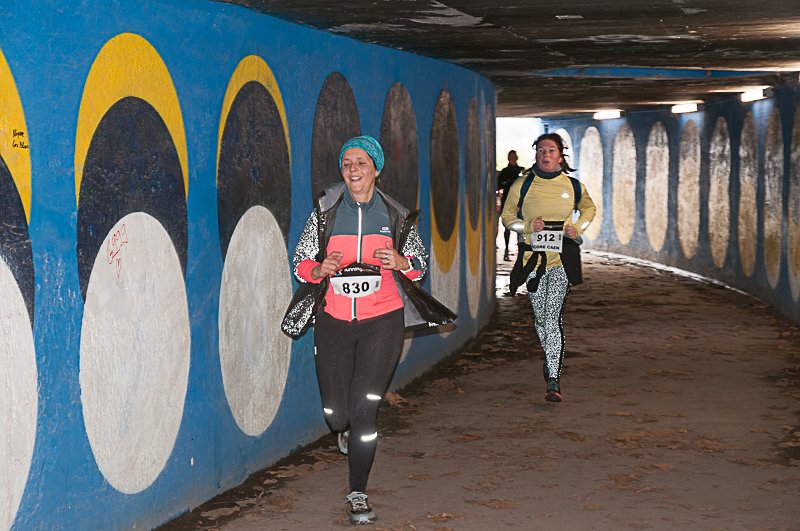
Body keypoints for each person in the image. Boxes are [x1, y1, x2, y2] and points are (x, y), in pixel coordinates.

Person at [287, 135, 454, 525]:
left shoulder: (397, 214)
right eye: (347, 163)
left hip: (383, 321)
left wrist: (401, 261)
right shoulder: (325, 211)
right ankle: (343, 429)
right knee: (337, 414)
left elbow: (419, 264)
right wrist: (318, 269)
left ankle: (357, 493)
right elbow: (300, 260)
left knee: (365, 409)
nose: (353, 170)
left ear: (376, 169)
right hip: (333, 321)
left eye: (361, 162)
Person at [501, 133, 595, 403]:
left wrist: (577, 229)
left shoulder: (573, 186)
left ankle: (553, 378)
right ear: (536, 154)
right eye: (541, 150)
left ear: (560, 155)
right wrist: (528, 226)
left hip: (561, 260)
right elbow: (507, 218)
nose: (545, 155)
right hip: (533, 260)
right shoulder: (522, 185)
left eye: (551, 150)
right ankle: (551, 355)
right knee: (541, 318)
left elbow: (589, 210)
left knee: (552, 318)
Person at [496, 150, 524, 261]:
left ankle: (520, 252)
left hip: (520, 203)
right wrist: (506, 183)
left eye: (513, 157)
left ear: (516, 158)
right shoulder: (505, 171)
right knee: (507, 227)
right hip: (507, 202)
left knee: (520, 228)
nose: (512, 159)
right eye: (510, 157)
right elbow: (498, 185)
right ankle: (506, 250)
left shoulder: (521, 171)